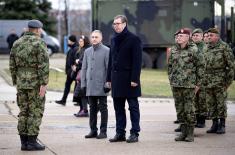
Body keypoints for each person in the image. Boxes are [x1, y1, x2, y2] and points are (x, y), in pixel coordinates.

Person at [9, 19, 49, 151]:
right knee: (35, 111)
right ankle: (31, 141)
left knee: (23, 111)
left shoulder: (17, 42)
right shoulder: (39, 42)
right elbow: (43, 64)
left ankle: (24, 142)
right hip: (35, 84)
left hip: (21, 83)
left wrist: (16, 80)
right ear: (37, 30)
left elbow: (12, 64)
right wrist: (44, 83)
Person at [107, 15, 142, 143]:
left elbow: (137, 61)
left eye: (118, 23)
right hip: (116, 79)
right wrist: (108, 79)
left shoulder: (134, 39)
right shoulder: (113, 39)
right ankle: (120, 133)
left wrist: (135, 79)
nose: (116, 26)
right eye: (114, 24)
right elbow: (111, 61)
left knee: (133, 107)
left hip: (129, 80)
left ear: (125, 24)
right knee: (118, 108)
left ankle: (135, 133)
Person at [168, 28, 204, 142]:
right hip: (176, 85)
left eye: (181, 36)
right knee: (180, 110)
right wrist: (171, 80)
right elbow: (170, 67)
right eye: (177, 36)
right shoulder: (174, 50)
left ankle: (190, 134)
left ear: (188, 37)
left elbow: (201, 67)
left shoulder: (194, 50)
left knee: (189, 110)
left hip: (189, 85)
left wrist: (198, 84)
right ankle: (183, 133)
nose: (178, 38)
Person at [205, 28, 234, 134]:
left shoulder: (224, 47)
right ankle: (214, 124)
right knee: (211, 103)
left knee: (220, 103)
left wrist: (228, 82)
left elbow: (231, 66)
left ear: (217, 36)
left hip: (220, 79)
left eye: (211, 35)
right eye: (208, 36)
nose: (208, 37)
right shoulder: (206, 47)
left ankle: (222, 125)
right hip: (208, 80)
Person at [81, 30, 110, 139]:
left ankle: (103, 131)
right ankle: (93, 130)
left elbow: (108, 69)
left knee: (103, 108)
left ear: (101, 38)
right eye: (92, 37)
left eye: (96, 37)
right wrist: (83, 84)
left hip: (101, 85)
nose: (94, 39)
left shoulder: (106, 50)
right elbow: (84, 68)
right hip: (90, 85)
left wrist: (108, 84)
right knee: (92, 108)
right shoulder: (87, 51)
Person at [55, 35, 78, 106]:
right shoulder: (72, 48)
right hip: (70, 71)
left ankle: (77, 101)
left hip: (73, 71)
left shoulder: (75, 49)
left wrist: (73, 67)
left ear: (72, 41)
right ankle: (64, 100)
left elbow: (75, 59)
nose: (68, 41)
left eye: (69, 40)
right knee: (68, 85)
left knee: (75, 86)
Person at [191, 28, 208, 128]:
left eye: (197, 35)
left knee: (202, 99)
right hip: (192, 77)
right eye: (193, 35)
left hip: (203, 77)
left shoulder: (205, 48)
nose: (195, 37)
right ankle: (196, 119)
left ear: (202, 37)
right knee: (194, 100)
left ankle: (202, 120)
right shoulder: (191, 47)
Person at [73, 35, 90, 117]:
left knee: (81, 93)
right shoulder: (81, 49)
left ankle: (85, 110)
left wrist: (78, 62)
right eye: (79, 41)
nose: (80, 43)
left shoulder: (87, 49)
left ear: (85, 41)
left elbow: (85, 62)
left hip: (84, 75)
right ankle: (82, 109)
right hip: (79, 74)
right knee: (78, 94)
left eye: (81, 41)